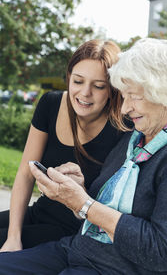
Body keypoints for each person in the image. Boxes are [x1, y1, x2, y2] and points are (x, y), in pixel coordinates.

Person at [0, 37, 167, 275]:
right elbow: (98, 208)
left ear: (164, 93)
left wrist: (84, 203)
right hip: (75, 250)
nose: (125, 109)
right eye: (124, 97)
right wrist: (80, 190)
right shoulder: (134, 138)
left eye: (134, 96)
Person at [0, 39, 130, 252]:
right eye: (78, 81)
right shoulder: (50, 104)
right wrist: (14, 236)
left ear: (112, 89)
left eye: (98, 86)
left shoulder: (123, 127)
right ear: (69, 77)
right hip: (38, 213)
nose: (85, 93)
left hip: (74, 231)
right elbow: (26, 173)